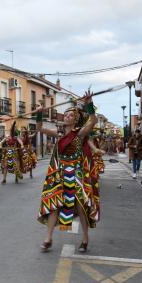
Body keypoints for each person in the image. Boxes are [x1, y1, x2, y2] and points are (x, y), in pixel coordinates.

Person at [35, 91, 98, 253]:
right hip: (60, 174)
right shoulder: (59, 134)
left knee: (81, 205)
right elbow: (40, 128)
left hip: (76, 174)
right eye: (66, 114)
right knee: (54, 204)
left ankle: (85, 238)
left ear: (76, 119)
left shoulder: (80, 133)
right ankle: (48, 238)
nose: (67, 116)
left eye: (71, 115)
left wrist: (89, 104)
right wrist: (40, 114)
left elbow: (93, 120)